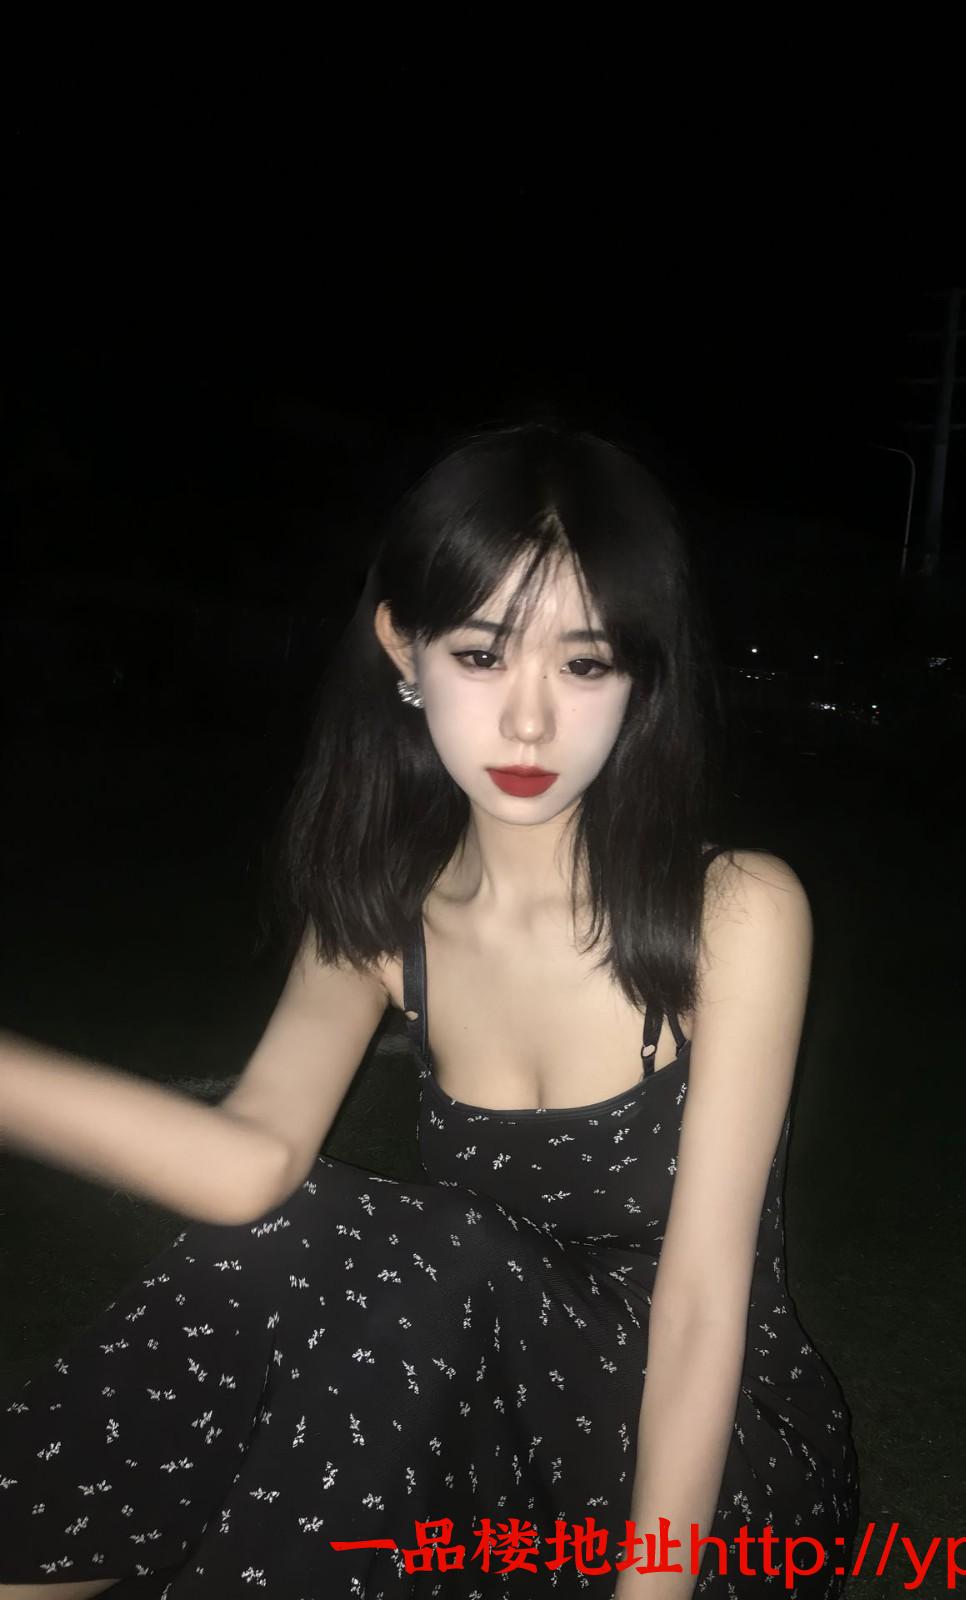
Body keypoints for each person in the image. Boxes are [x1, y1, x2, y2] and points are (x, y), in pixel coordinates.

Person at [0, 421, 859, 1597]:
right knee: (312, 1235)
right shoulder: (380, 913)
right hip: (479, 1420)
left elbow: (706, 1302)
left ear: (639, 678)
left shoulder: (734, 912)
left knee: (436, 1247)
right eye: (484, 654)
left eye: (584, 665)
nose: (528, 722)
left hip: (720, 1482)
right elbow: (246, 1170)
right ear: (404, 647)